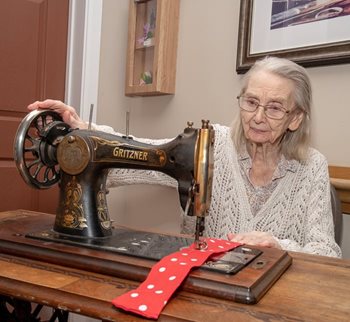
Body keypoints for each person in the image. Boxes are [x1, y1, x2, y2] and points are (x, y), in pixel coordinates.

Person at [27, 56, 342, 258]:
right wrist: (82, 133)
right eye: (250, 102)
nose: (258, 116)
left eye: (274, 107)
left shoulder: (311, 166)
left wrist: (277, 245)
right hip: (207, 292)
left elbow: (326, 253)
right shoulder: (212, 144)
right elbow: (134, 154)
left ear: (296, 118)